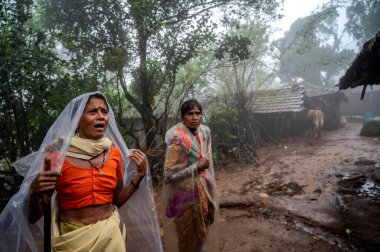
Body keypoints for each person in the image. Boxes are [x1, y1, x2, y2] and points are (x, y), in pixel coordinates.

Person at [0, 92, 163, 252]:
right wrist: (34, 192)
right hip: (71, 239)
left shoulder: (114, 154)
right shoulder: (57, 156)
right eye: (93, 111)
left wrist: (139, 176)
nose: (101, 116)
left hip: (110, 237)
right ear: (76, 121)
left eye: (104, 111)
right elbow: (34, 217)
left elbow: (115, 201)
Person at [162, 99, 219, 252]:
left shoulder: (204, 132)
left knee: (202, 233)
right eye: (190, 114)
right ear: (182, 117)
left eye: (198, 113)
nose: (195, 117)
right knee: (186, 239)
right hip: (184, 196)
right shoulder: (177, 139)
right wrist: (195, 167)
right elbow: (167, 176)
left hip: (203, 192)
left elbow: (207, 162)